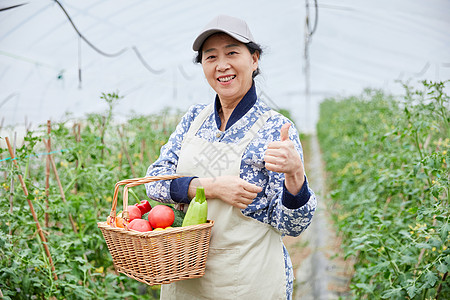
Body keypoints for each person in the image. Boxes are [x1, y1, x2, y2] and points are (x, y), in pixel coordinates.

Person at [145, 14, 316, 300]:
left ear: (254, 60)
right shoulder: (193, 120)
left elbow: (293, 226)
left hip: (249, 280)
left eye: (232, 53)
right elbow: (154, 182)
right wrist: (211, 188)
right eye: (210, 57)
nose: (222, 65)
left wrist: (295, 174)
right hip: (186, 277)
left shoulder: (275, 129)